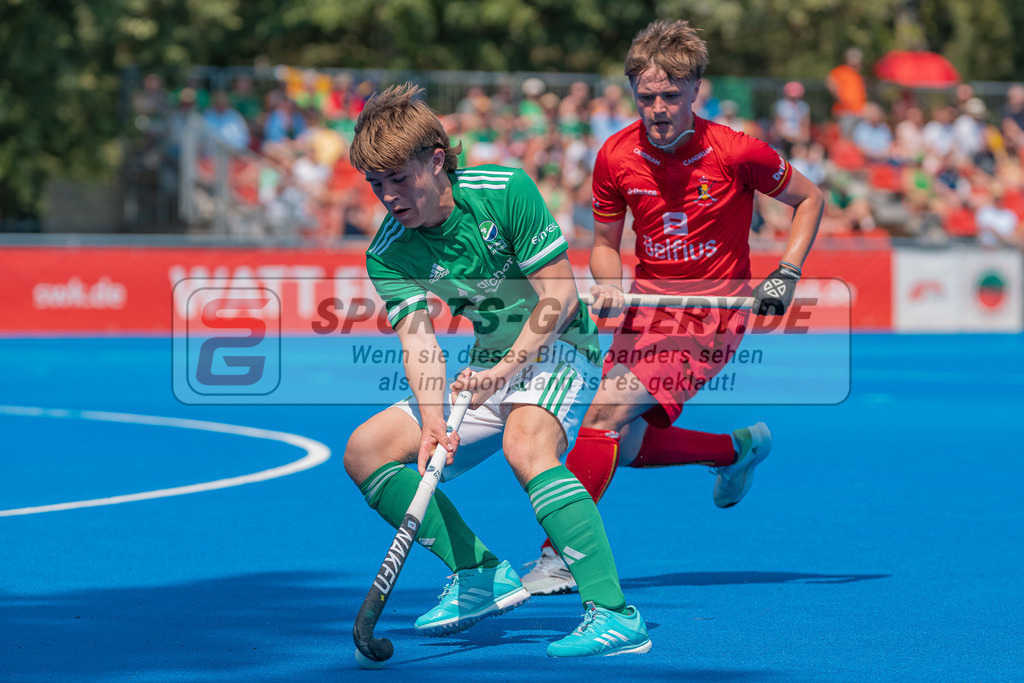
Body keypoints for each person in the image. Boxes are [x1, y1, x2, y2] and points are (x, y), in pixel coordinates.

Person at [343, 83, 651, 658]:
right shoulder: (387, 251)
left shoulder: (503, 190)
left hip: (561, 346)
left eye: (400, 180)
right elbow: (419, 342)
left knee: (526, 447)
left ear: (437, 161)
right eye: (376, 184)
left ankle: (615, 615)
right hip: (489, 366)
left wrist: (503, 369)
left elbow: (559, 295)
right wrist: (433, 421)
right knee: (366, 450)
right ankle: (479, 573)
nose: (389, 197)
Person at [521, 18, 824, 595]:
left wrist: (786, 271)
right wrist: (608, 285)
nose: (658, 108)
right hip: (647, 311)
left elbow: (810, 199)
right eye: (647, 96)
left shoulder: (736, 151)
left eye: (671, 95)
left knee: (604, 415)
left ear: (694, 92)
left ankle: (560, 554)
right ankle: (735, 449)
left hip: (712, 312)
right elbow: (606, 248)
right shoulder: (614, 157)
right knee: (627, 445)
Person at [826, 47, 867, 138]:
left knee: (856, 138)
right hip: (845, 111)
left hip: (859, 112)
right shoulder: (840, 71)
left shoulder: (857, 75)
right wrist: (842, 100)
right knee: (845, 137)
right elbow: (830, 83)